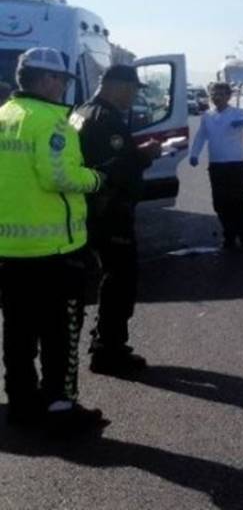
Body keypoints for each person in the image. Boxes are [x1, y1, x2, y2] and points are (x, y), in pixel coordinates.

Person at [0, 47, 108, 435]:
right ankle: (60, 406)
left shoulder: (4, 116)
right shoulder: (52, 122)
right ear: (46, 80)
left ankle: (22, 403)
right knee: (60, 333)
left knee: (18, 332)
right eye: (60, 80)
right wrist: (95, 179)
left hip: (10, 252)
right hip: (56, 252)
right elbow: (59, 177)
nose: (63, 87)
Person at [72, 64, 162, 376]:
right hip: (108, 213)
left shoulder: (81, 111)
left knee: (111, 278)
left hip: (90, 211)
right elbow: (114, 169)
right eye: (133, 89)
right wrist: (145, 155)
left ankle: (106, 344)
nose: (134, 96)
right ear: (117, 85)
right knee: (119, 281)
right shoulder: (105, 119)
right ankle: (108, 350)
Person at [189, 82, 243, 249]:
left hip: (235, 163)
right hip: (216, 164)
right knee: (220, 202)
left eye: (221, 94)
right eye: (214, 94)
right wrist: (194, 154)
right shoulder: (207, 115)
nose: (217, 97)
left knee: (237, 200)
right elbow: (201, 136)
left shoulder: (237, 113)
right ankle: (228, 235)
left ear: (228, 96)